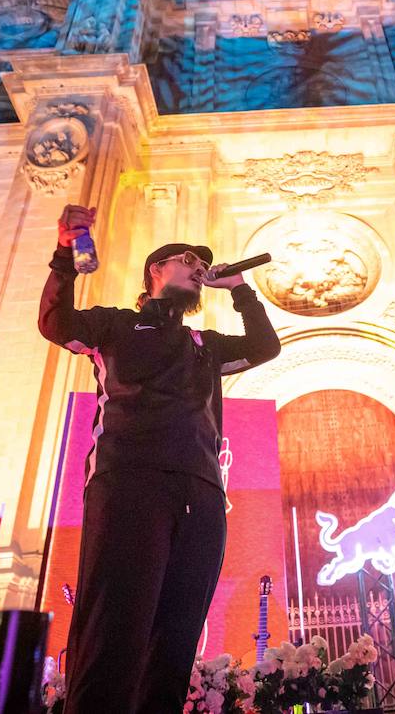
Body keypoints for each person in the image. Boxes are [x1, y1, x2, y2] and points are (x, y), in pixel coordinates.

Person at [38, 205, 281, 714]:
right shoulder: (115, 327)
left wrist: (239, 288)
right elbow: (56, 324)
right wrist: (65, 254)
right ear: (155, 270)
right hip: (129, 483)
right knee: (116, 628)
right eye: (188, 259)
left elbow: (264, 346)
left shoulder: (204, 345)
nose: (198, 268)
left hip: (201, 492)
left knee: (176, 639)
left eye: (203, 264)